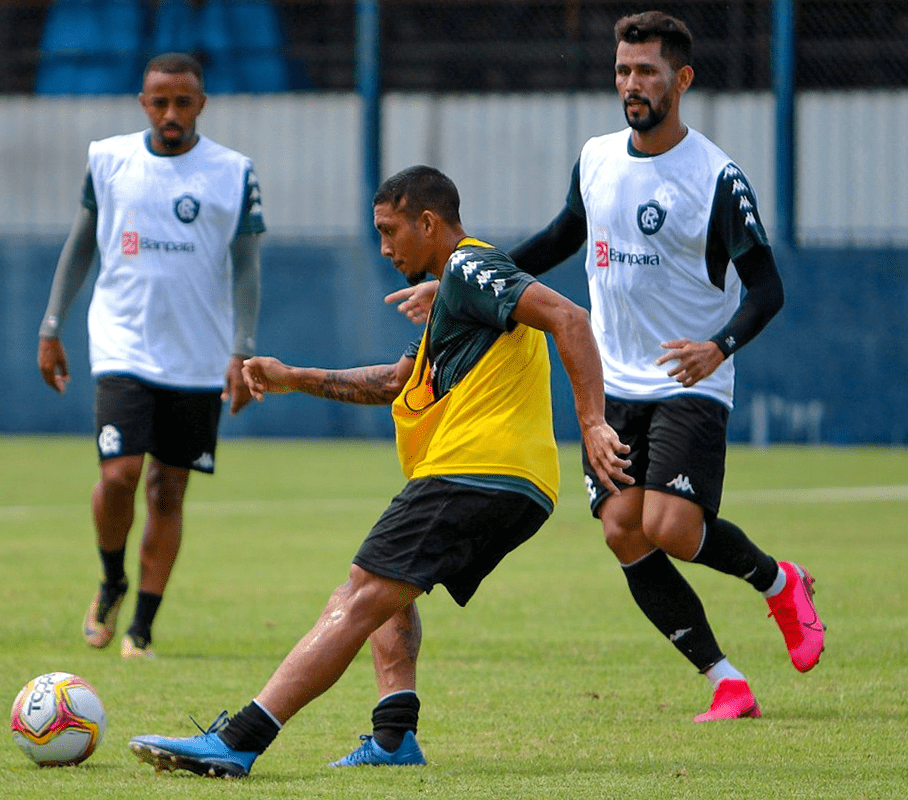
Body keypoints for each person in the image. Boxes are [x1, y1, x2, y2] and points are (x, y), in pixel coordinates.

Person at [389, 11, 824, 723]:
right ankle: (726, 679)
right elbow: (564, 234)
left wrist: (718, 346)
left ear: (680, 79)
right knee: (624, 529)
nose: (631, 84)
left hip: (690, 381)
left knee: (674, 527)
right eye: (623, 70)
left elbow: (767, 288)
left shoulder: (717, 178)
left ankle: (780, 582)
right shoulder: (596, 158)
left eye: (646, 72)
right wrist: (465, 277)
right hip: (614, 380)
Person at [126, 165, 632, 777]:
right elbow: (395, 382)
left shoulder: (473, 268)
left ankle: (241, 738)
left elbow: (570, 319)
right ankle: (394, 737)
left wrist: (593, 421)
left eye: (391, 231)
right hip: (499, 478)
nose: (385, 246)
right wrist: (293, 378)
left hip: (478, 468)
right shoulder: (459, 291)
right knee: (386, 590)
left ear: (427, 222)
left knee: (361, 593)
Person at [36, 52, 265, 660]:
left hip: (197, 355)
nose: (170, 113)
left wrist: (242, 348)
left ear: (201, 104)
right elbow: (81, 241)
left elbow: (246, 265)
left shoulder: (233, 172)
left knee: (167, 492)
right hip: (121, 344)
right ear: (143, 102)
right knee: (120, 475)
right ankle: (112, 579)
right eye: (159, 101)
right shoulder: (109, 159)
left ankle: (141, 627)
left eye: (182, 102)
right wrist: (51, 324)